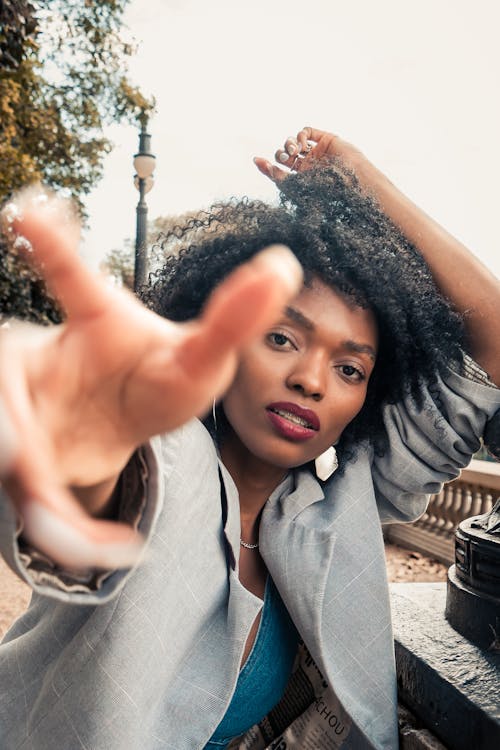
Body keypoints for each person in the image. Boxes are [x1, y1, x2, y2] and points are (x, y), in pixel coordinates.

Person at [0, 126, 499, 750]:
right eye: (281, 337)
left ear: (368, 399)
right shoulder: (167, 457)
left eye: (350, 368)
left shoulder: (346, 506)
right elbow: (89, 478)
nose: (310, 379)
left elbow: (494, 346)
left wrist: (362, 180)